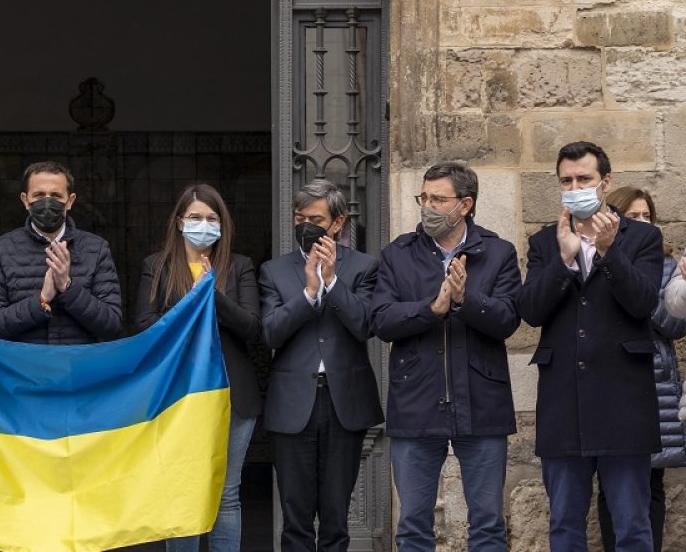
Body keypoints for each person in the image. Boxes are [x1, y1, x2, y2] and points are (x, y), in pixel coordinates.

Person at [517, 141, 663, 552]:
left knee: (632, 524)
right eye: (566, 180)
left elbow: (644, 303)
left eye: (584, 178)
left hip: (623, 401)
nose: (574, 186)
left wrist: (609, 251)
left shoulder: (643, 237)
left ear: (605, 183)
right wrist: (563, 261)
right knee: (564, 523)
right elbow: (531, 310)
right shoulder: (545, 241)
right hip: (564, 403)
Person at [371, 161, 521, 552]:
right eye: (424, 197)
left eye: (439, 199)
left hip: (482, 404)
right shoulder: (397, 254)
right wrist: (432, 309)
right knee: (413, 525)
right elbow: (382, 320)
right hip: (416, 403)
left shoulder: (498, 251)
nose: (428, 206)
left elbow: (507, 319)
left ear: (465, 204)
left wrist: (465, 299)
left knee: (488, 523)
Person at [133, 184, 261, 552]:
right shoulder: (156, 267)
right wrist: (190, 302)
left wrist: (213, 293)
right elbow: (144, 325)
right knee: (182, 490)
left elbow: (252, 327)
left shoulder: (239, 266)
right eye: (195, 218)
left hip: (232, 394)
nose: (203, 225)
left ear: (222, 224)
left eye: (211, 218)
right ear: (179, 222)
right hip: (177, 395)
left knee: (226, 493)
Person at [259, 179, 382, 552]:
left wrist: (330, 280)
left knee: (335, 517)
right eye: (300, 217)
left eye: (315, 217)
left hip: (344, 403)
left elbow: (364, 325)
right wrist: (309, 293)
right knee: (295, 518)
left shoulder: (364, 267)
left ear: (338, 223)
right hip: (292, 405)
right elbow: (270, 333)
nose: (305, 224)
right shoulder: (274, 271)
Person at [599, 187, 686, 552]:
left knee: (652, 484)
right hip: (614, 381)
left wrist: (636, 287)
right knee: (609, 485)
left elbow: (675, 326)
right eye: (631, 216)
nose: (640, 223)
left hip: (658, 388)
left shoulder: (666, 265)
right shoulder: (599, 259)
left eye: (645, 216)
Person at [0, 160, 121, 344]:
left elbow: (112, 325)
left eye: (55, 195)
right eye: (38, 195)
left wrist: (68, 287)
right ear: (25, 200)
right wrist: (41, 300)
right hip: (23, 367)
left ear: (70, 201)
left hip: (78, 368)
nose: (47, 202)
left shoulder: (97, 249)